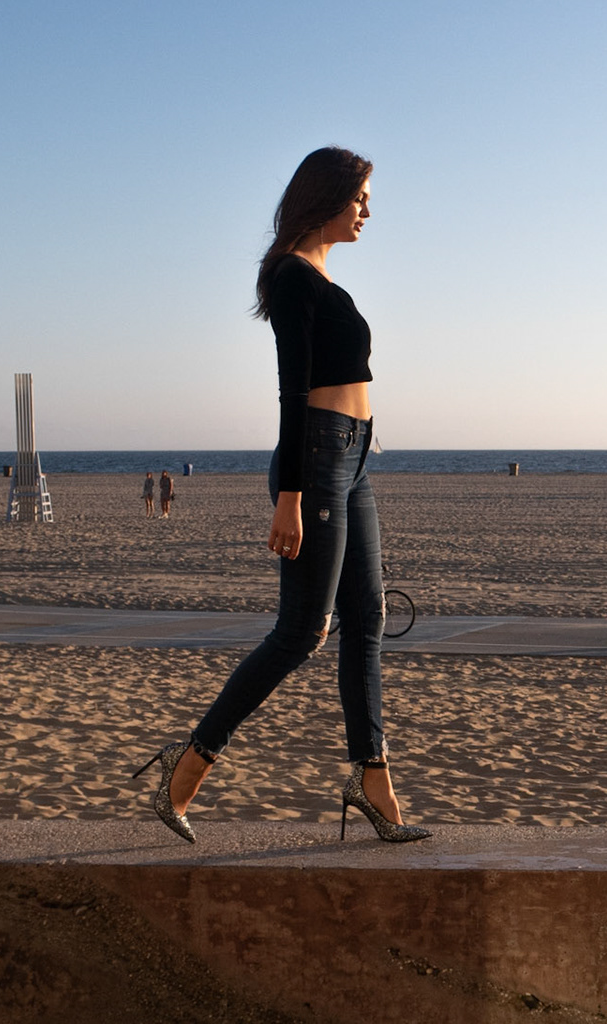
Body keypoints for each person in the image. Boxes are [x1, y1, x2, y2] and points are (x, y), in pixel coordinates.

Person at [135, 146, 428, 845]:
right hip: (318, 458)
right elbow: (292, 392)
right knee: (303, 631)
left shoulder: (322, 274)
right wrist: (290, 496)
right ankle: (189, 764)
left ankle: (373, 778)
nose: (367, 210)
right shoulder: (293, 276)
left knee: (369, 619)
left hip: (353, 458)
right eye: (359, 196)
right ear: (323, 195)